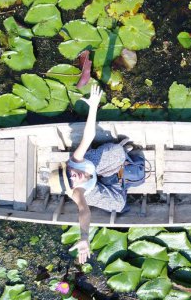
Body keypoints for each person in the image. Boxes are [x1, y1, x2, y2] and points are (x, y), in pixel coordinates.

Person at [51, 85, 128, 264]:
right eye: (71, 181)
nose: (73, 176)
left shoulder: (76, 161)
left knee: (118, 152)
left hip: (92, 165)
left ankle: (118, 165)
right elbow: (84, 210)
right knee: (119, 204)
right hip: (90, 189)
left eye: (68, 173)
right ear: (72, 188)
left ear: (68, 168)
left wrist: (93, 106)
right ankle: (118, 175)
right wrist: (84, 235)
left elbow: (88, 136)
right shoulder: (78, 192)